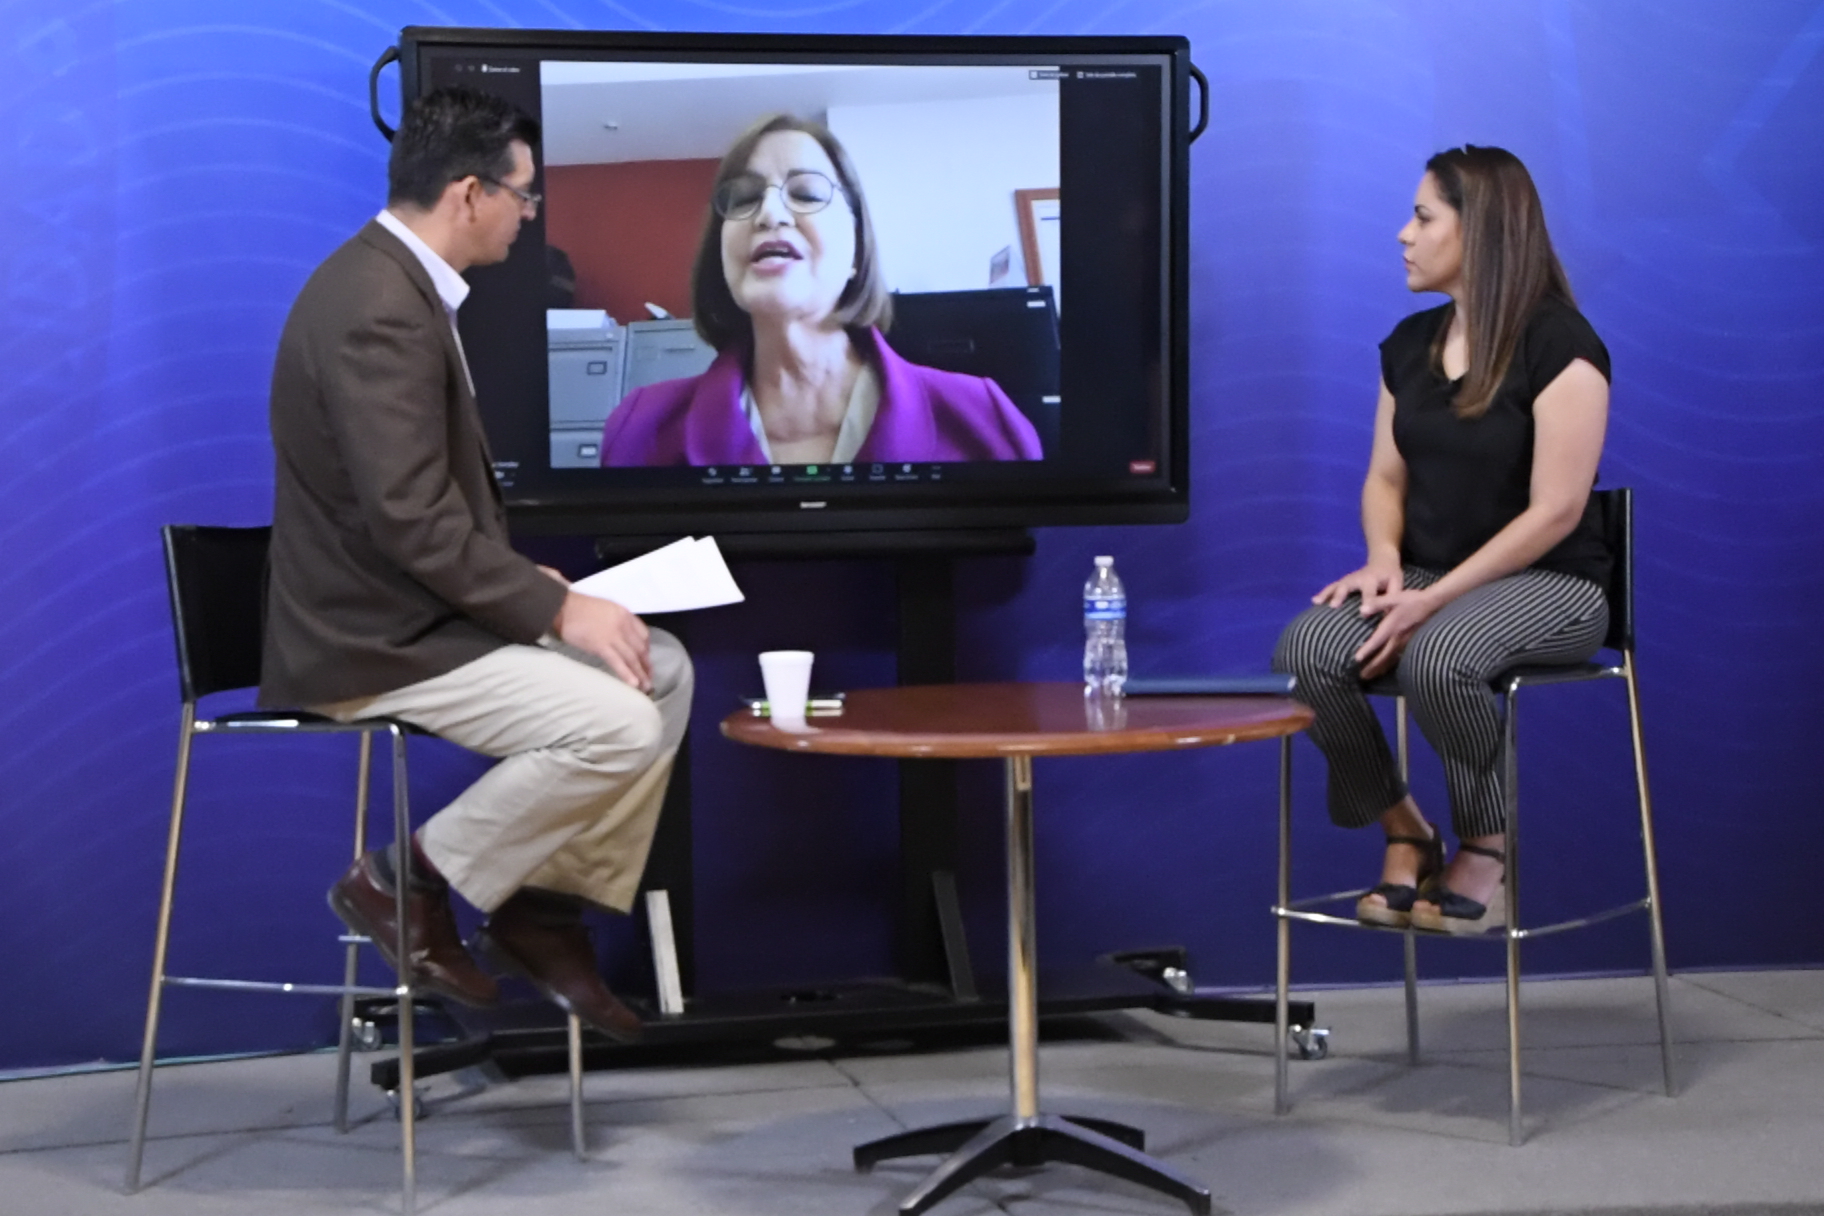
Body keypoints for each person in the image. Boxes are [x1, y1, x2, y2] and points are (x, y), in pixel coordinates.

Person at [261, 87, 693, 1039]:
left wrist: (537, 588)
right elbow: (412, 521)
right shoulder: (377, 307)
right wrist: (554, 610)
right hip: (377, 641)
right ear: (469, 193)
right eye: (523, 195)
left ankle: (541, 907)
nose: (528, 215)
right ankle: (399, 880)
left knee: (660, 667)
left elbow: (416, 510)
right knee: (621, 724)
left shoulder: (401, 288)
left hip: (421, 615)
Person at [1273, 145, 1612, 936]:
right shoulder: (1409, 345)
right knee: (1307, 650)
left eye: (1423, 217)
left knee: (1439, 655)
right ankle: (1406, 830)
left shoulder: (1562, 345)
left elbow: (1557, 512)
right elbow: (1385, 480)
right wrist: (1385, 564)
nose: (1404, 234)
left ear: (1480, 230)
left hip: (1553, 584)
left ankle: (1488, 848)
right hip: (1431, 576)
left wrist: (1433, 601)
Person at [598, 113, 1043, 467]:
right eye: (744, 198)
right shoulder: (641, 431)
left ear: (857, 250)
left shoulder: (983, 420)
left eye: (808, 194)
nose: (769, 213)